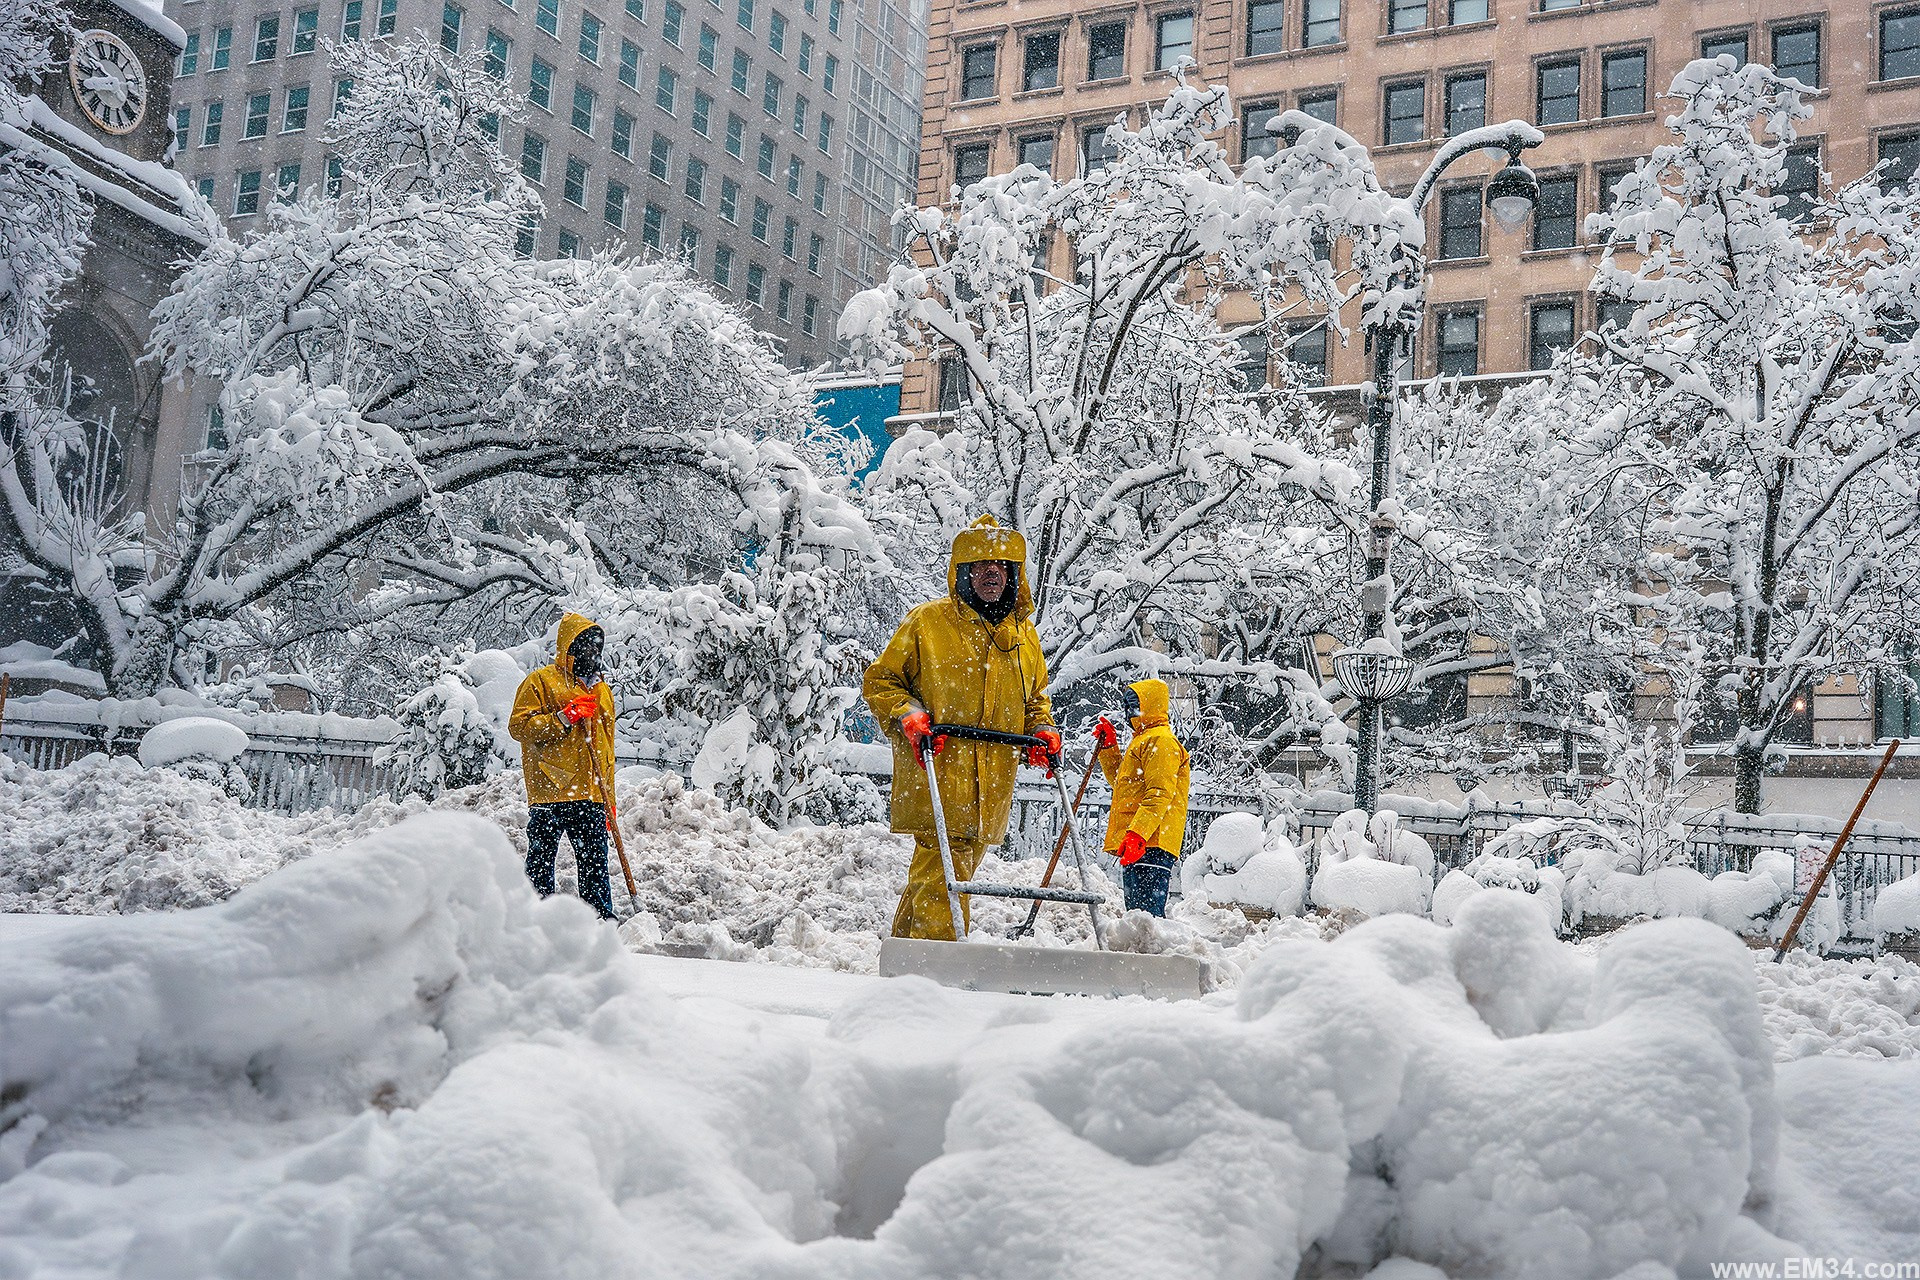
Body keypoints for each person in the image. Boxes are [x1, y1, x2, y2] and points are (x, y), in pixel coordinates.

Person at [864, 515, 1061, 941]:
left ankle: (904, 958)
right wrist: (907, 714)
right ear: (963, 573)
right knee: (943, 868)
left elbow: (1035, 700)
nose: (992, 571)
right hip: (938, 769)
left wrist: (1042, 729)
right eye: (981, 564)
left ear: (1013, 575)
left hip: (990, 785)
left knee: (941, 875)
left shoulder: (1024, 638)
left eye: (1001, 565)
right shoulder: (928, 623)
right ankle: (938, 973)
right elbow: (882, 680)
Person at [508, 612, 617, 919]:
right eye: (586, 647)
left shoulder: (602, 692)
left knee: (595, 863)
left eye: (597, 648)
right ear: (569, 648)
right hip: (551, 790)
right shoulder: (542, 682)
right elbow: (519, 727)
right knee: (541, 862)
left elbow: (607, 750)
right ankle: (534, 919)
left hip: (592, 794)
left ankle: (600, 922)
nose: (593, 654)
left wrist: (610, 801)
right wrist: (564, 717)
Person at [1092, 677, 1192, 917]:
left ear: (1150, 706)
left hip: (1152, 840)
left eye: (1134, 706)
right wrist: (1109, 748)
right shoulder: (1143, 740)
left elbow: (1160, 793)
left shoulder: (1161, 741)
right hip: (1139, 840)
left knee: (1146, 915)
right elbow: (1123, 784)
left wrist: (1139, 833)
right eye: (1127, 706)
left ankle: (1150, 954)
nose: (1128, 712)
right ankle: (1141, 953)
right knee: (1137, 914)